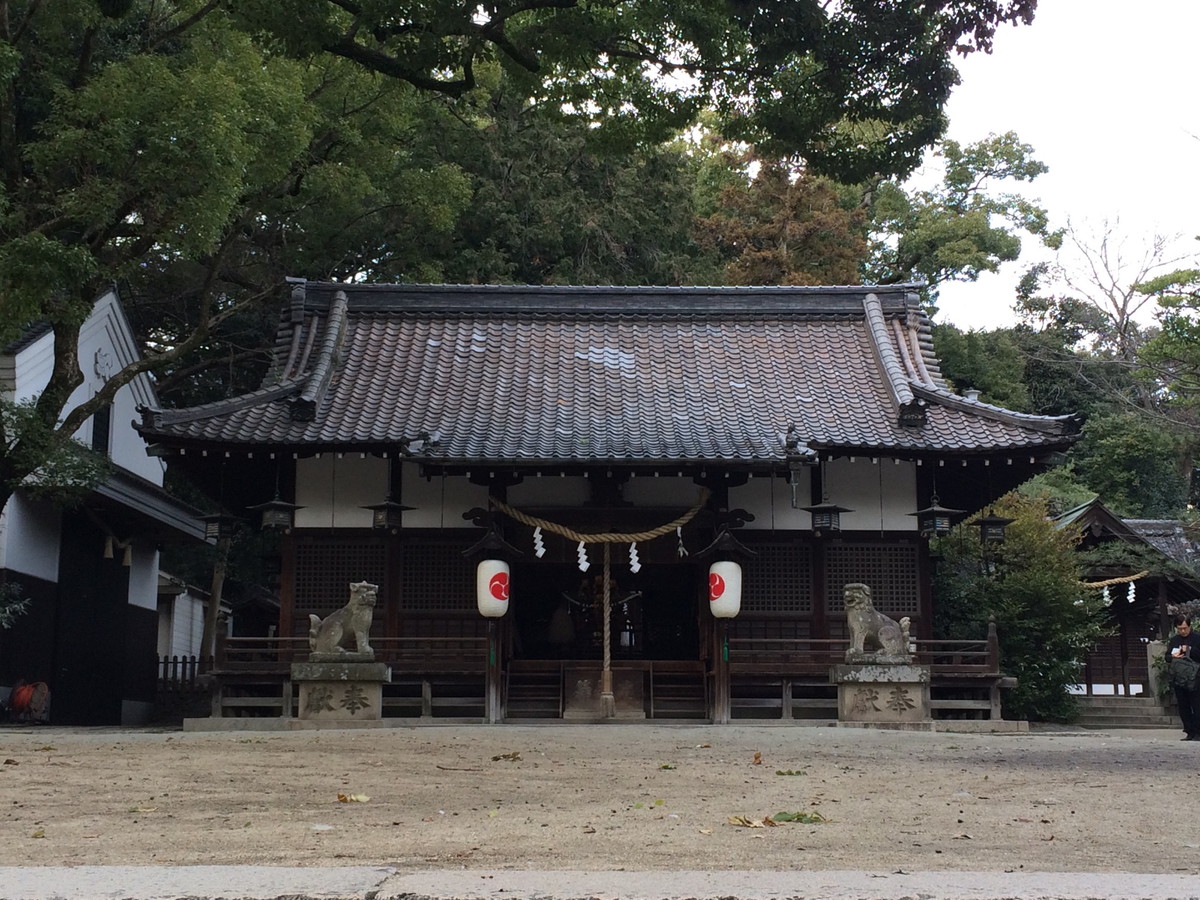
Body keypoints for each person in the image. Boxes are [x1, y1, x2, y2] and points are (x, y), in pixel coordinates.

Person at [1167, 614, 1200, 740]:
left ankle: (1198, 732)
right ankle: (1189, 731)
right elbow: (1167, 657)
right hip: (1179, 678)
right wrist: (1174, 655)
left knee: (1196, 705)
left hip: (1195, 677)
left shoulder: (1197, 638)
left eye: (1185, 628)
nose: (1183, 631)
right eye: (1180, 628)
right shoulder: (1175, 640)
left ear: (1190, 627)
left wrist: (1190, 650)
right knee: (1183, 706)